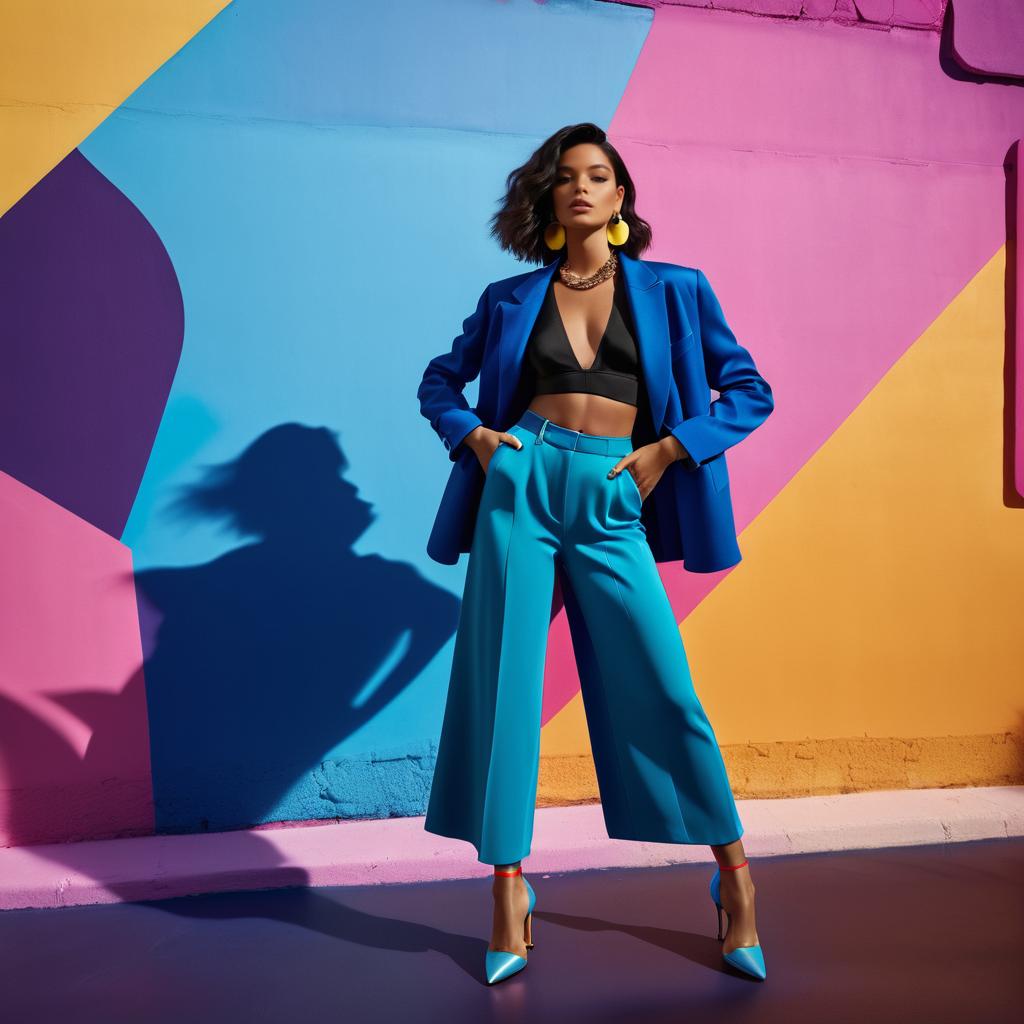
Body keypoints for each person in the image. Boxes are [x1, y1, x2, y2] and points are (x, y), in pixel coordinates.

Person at [416, 123, 774, 985]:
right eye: (567, 177)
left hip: (616, 491)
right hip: (522, 485)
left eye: (599, 176)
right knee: (502, 692)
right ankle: (507, 893)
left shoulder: (676, 290)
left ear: (621, 200)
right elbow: (440, 381)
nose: (582, 187)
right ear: (550, 201)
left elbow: (750, 391)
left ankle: (736, 882)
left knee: (663, 685)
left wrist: (666, 451)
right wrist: (475, 438)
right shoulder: (510, 298)